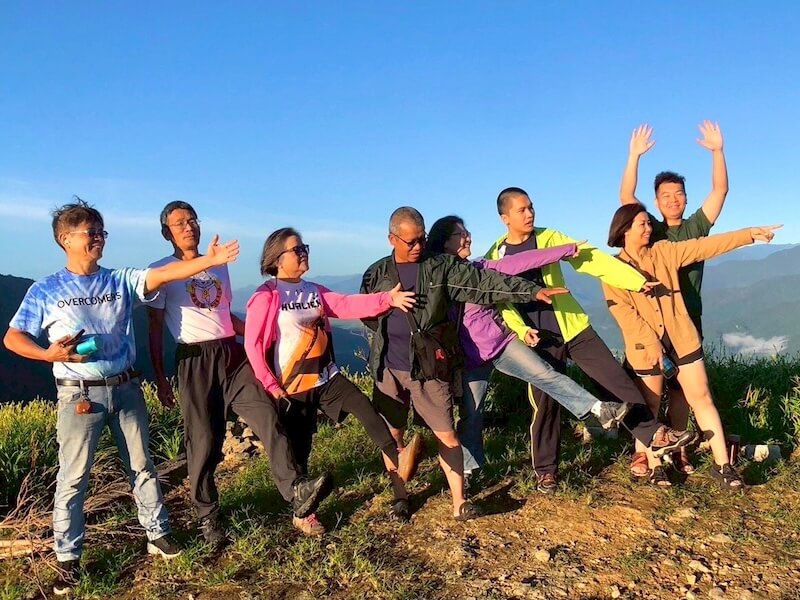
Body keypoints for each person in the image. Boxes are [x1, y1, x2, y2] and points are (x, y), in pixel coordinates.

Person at [3, 198, 238, 596]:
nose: (99, 238)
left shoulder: (119, 280)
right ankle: (68, 559)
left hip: (126, 388)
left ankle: (158, 534)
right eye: (90, 233)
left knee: (143, 465)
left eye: (101, 232)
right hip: (79, 396)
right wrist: (48, 355)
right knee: (73, 478)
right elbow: (13, 337)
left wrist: (207, 261)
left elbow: (162, 275)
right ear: (64, 239)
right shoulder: (45, 289)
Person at [428, 215, 695, 486]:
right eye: (461, 234)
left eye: (468, 232)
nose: (468, 237)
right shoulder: (438, 277)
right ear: (445, 242)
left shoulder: (482, 266)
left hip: (503, 344)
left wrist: (565, 250)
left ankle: (606, 413)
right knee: (472, 414)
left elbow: (518, 264)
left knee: (548, 376)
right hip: (470, 358)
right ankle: (471, 471)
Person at [360, 206, 576, 520]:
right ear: (392, 239)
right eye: (410, 242)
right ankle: (400, 496)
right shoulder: (376, 273)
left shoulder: (441, 266)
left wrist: (531, 291)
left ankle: (460, 503)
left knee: (447, 434)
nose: (418, 246)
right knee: (393, 434)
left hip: (429, 366)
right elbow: (366, 312)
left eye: (421, 239)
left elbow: (486, 281)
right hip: (389, 366)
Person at [147, 202, 334, 543]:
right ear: (166, 233)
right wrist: (160, 377)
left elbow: (224, 314)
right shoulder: (160, 270)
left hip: (232, 354)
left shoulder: (219, 265)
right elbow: (155, 327)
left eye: (192, 220)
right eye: (179, 223)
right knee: (203, 440)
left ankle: (296, 490)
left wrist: (260, 337)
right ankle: (208, 517)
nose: (189, 227)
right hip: (195, 359)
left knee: (268, 416)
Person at [244, 227, 417, 529]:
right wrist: (271, 385)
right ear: (276, 259)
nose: (303, 254)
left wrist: (387, 299)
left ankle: (399, 456)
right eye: (296, 250)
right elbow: (253, 345)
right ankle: (302, 513)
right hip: (292, 386)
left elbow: (346, 304)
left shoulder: (314, 291)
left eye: (304, 248)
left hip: (327, 377)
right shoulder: (266, 296)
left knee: (364, 406)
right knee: (300, 450)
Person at [602, 204, 779, 489]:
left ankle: (723, 466)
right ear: (624, 230)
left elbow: (703, 246)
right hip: (644, 347)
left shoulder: (663, 252)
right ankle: (656, 465)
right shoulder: (611, 269)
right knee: (650, 406)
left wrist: (748, 234)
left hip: (682, 339)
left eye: (648, 223)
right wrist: (653, 345)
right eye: (642, 224)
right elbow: (623, 313)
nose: (649, 228)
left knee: (701, 397)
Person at [619, 121, 729, 475]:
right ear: (656, 201)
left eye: (678, 193)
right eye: (665, 195)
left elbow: (720, 191)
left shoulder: (695, 227)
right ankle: (643, 451)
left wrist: (717, 151)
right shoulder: (649, 228)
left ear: (686, 197)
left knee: (683, 391)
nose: (672, 199)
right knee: (649, 390)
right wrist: (634, 156)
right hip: (650, 323)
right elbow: (626, 197)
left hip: (688, 319)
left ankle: (679, 449)